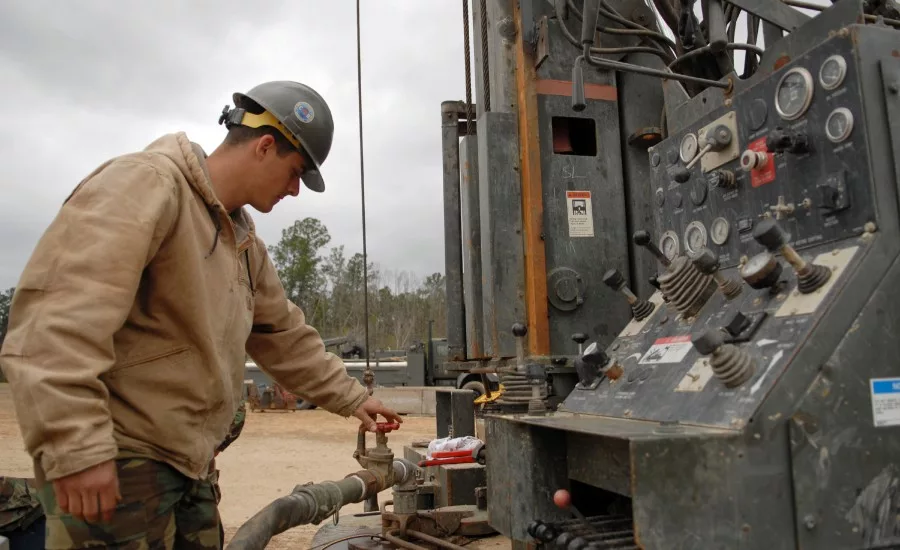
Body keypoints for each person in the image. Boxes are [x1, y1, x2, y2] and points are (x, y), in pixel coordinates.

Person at [0, 80, 402, 549]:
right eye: (295, 172)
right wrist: (75, 448)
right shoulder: (146, 186)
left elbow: (284, 336)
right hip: (118, 461)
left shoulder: (243, 243)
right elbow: (56, 324)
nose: (295, 190)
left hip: (190, 468)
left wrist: (353, 398)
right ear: (264, 146)